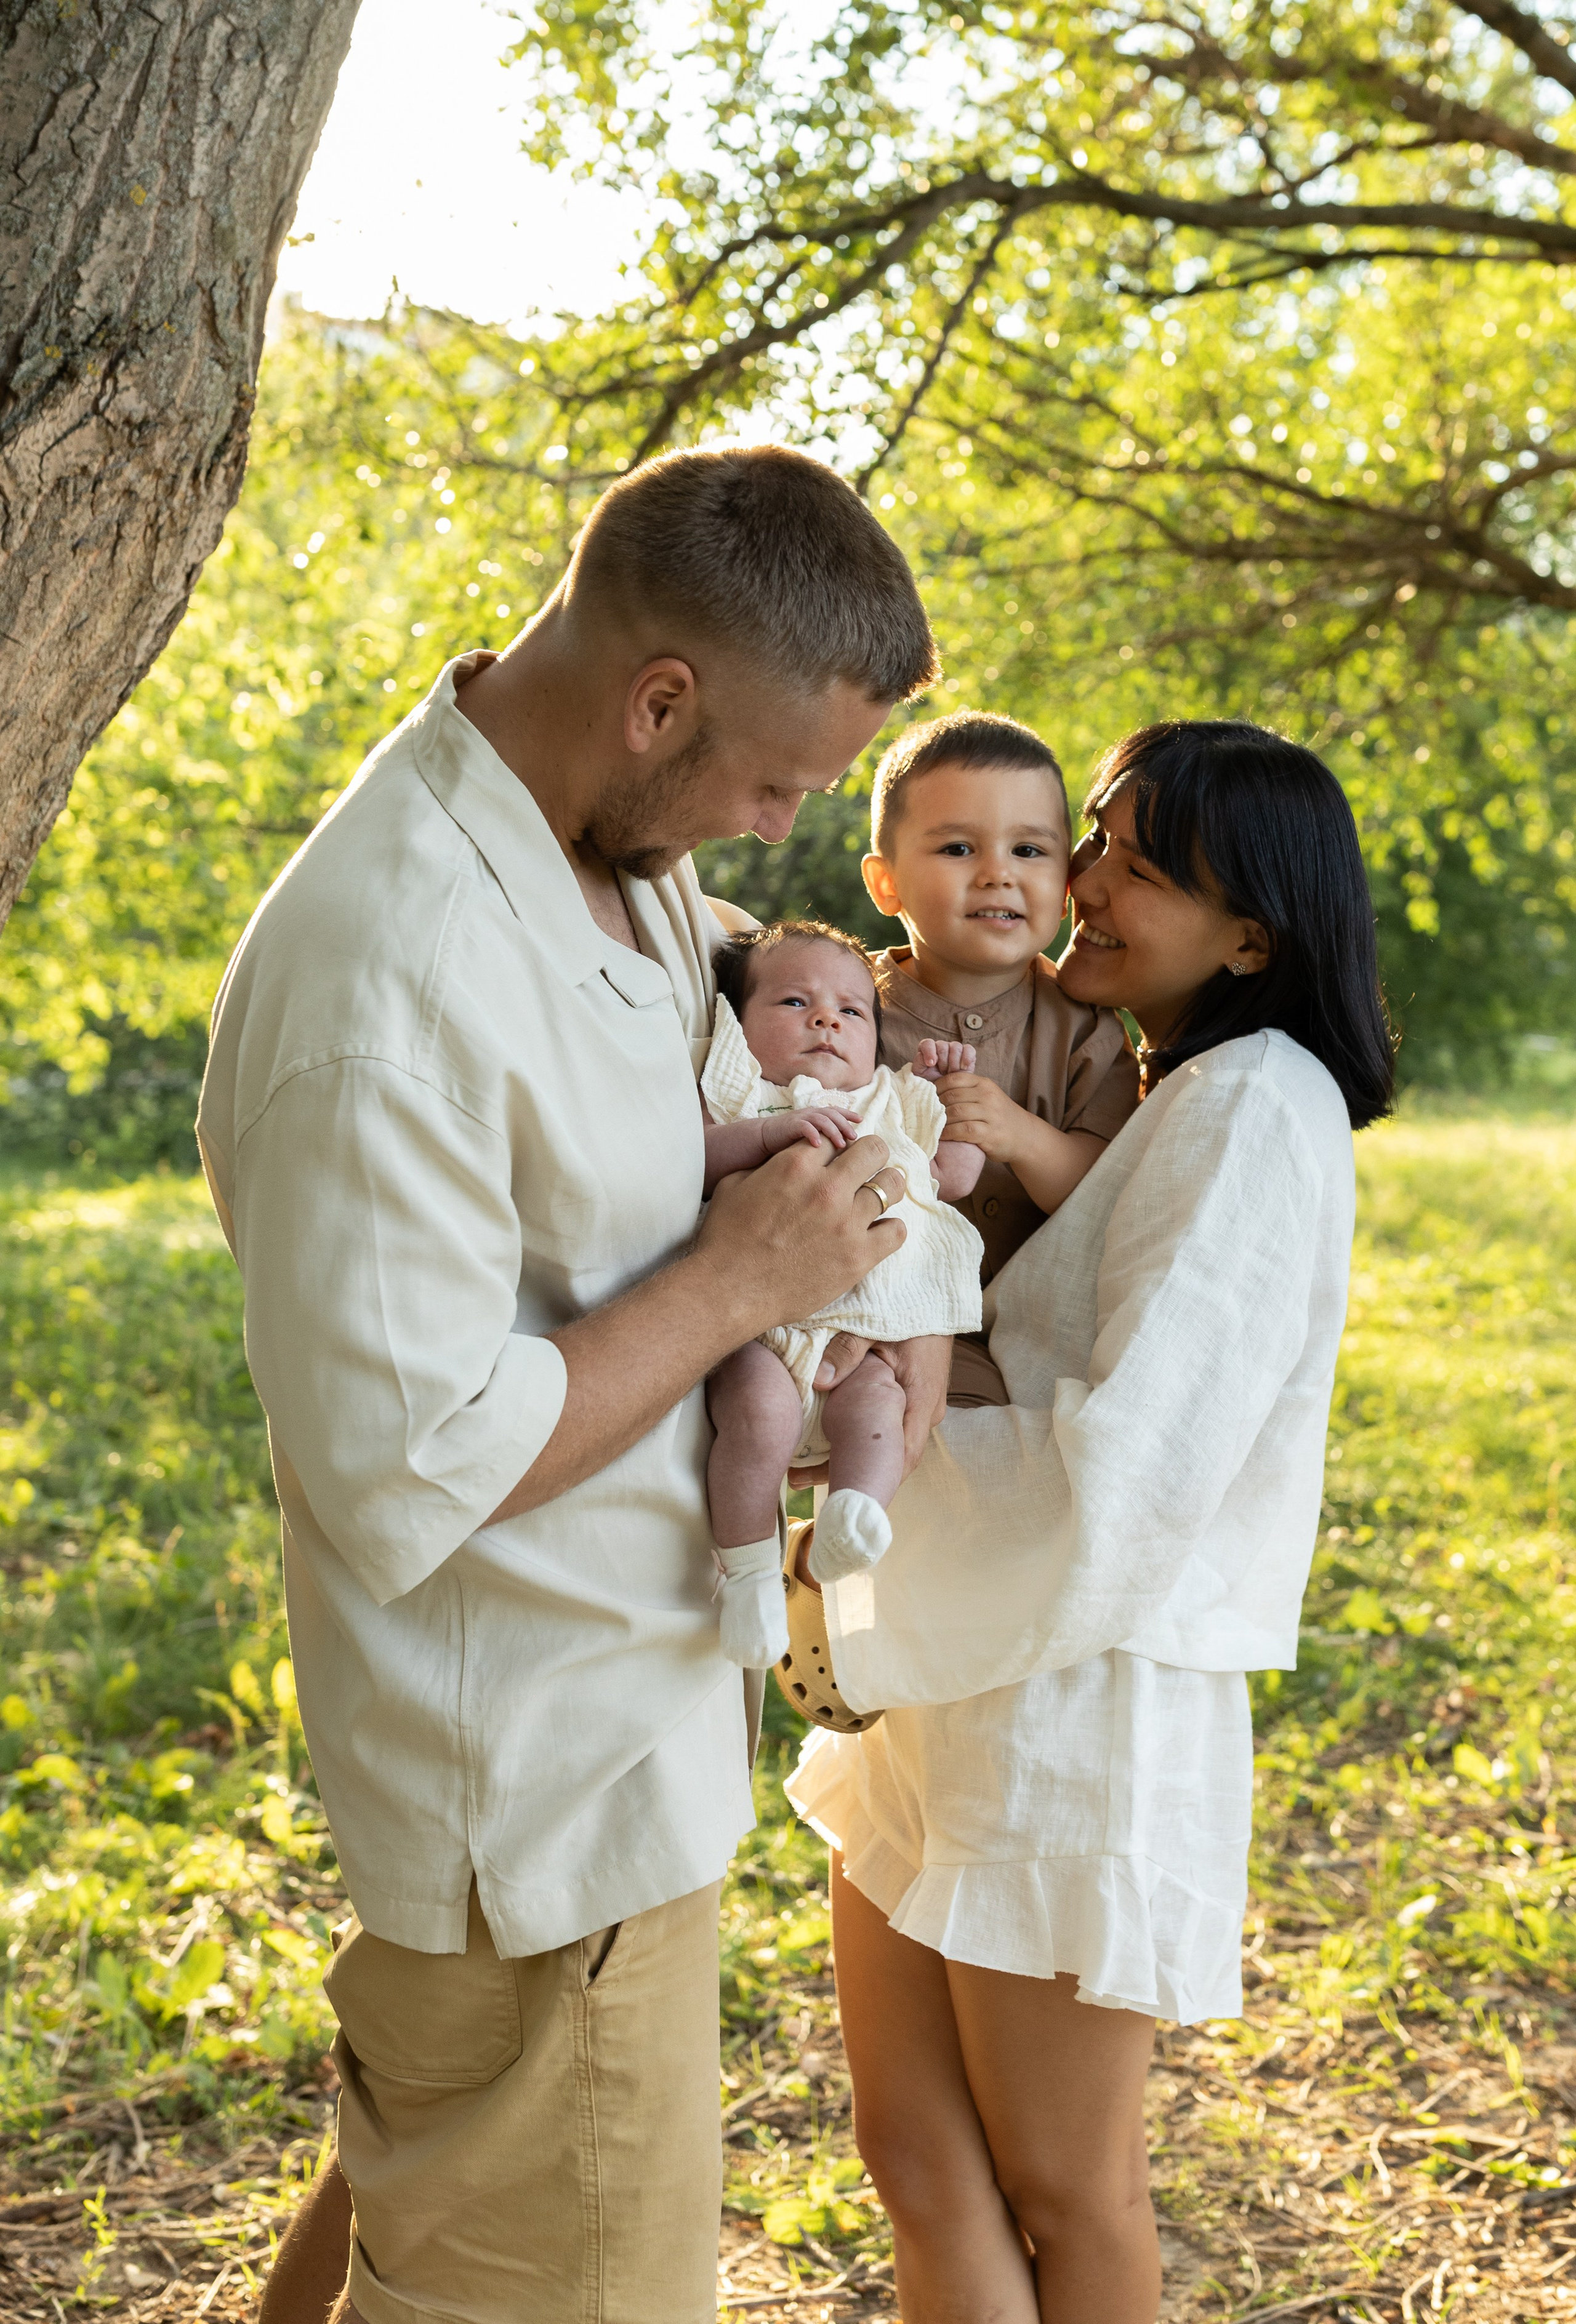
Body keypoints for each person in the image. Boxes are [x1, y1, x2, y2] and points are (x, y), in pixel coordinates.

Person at [204, 444, 951, 2324]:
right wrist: (737, 1281)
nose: (781, 831)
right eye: (777, 782)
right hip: (534, 1822)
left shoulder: (610, 846)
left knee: (421, 2236)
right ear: (659, 701)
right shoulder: (393, 979)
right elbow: (412, 1470)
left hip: (623, 1750)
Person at [786, 719, 1395, 2323]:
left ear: (1251, 930)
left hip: (1080, 1693)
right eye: (1096, 839)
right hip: (962, 1662)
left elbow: (1140, 1462)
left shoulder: (1261, 1104)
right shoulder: (1157, 1089)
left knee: (1071, 2190)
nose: (1083, 883)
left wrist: (856, 1504)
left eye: (1132, 854)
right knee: (915, 2156)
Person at [700, 920, 986, 1659]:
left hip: (870, 1340)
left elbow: (951, 1178)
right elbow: (690, 1162)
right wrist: (769, 1135)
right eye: (795, 1001)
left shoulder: (894, 1100)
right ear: (739, 1021)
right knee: (758, 1414)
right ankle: (749, 1576)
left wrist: (955, 1102)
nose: (826, 1018)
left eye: (851, 1010)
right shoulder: (741, 1092)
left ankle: (853, 1515)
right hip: (764, 1334)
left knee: (882, 1405)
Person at [859, 711, 1140, 1406]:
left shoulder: (1086, 1030)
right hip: (866, 1306)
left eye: (1029, 850)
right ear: (886, 882)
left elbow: (1102, 1194)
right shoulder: (849, 1004)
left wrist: (1020, 1136)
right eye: (957, 849)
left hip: (1010, 1332)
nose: (997, 875)